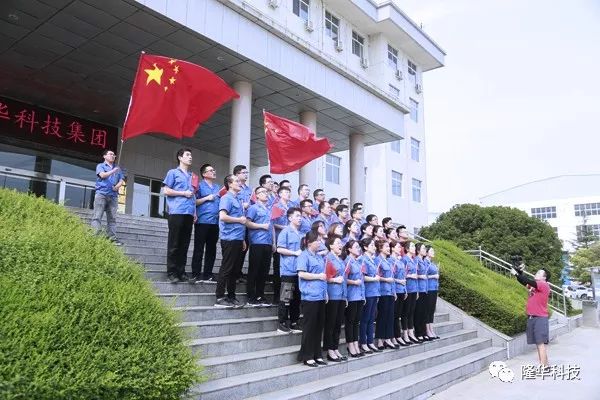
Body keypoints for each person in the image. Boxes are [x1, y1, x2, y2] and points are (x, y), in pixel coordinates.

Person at [162, 148, 196, 283]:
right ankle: (172, 272)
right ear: (180, 158)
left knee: (184, 244)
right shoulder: (173, 173)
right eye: (187, 155)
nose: (190, 157)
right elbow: (166, 190)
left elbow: (194, 195)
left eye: (191, 155)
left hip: (189, 213)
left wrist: (194, 212)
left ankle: (181, 272)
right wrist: (183, 193)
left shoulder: (193, 176)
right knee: (174, 243)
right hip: (177, 211)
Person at [510, 262, 551, 367]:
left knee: (540, 343)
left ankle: (543, 366)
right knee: (538, 343)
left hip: (540, 318)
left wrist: (517, 273)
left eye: (539, 273)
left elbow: (527, 280)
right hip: (533, 317)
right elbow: (523, 281)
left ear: (544, 278)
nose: (536, 273)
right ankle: (545, 365)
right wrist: (519, 272)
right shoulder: (535, 286)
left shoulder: (543, 284)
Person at [214, 174, 246, 308]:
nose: (240, 183)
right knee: (227, 268)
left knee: (234, 270)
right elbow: (222, 216)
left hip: (238, 238)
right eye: (236, 181)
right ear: (230, 184)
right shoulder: (226, 198)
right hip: (229, 238)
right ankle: (220, 297)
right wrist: (239, 220)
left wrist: (242, 239)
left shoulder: (238, 199)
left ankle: (231, 296)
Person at [296, 231, 328, 367]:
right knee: (309, 327)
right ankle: (307, 355)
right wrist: (318, 276)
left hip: (320, 295)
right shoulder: (304, 256)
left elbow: (324, 275)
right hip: (310, 296)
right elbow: (301, 274)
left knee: (319, 326)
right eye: (317, 241)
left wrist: (325, 292)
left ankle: (317, 354)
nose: (320, 243)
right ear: (309, 243)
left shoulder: (319, 257)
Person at [245, 187, 275, 307]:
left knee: (264, 271)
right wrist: (261, 226)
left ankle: (260, 295)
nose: (266, 194)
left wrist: (274, 243)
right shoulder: (253, 208)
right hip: (257, 242)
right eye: (263, 192)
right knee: (254, 269)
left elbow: (272, 226)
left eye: (266, 192)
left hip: (268, 243)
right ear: (256, 195)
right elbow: (247, 222)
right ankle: (251, 296)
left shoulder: (270, 209)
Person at [191, 163, 220, 284]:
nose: (214, 172)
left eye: (214, 170)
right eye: (211, 170)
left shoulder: (218, 187)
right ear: (204, 174)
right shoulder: (199, 186)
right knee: (199, 248)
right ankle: (196, 274)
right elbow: (193, 201)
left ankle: (208, 274)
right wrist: (206, 198)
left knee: (211, 249)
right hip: (202, 221)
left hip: (215, 222)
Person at [276, 208, 303, 333]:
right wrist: (294, 253)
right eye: (297, 216)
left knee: (296, 299)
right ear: (290, 218)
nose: (300, 218)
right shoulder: (285, 232)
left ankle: (294, 322)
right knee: (285, 298)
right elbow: (279, 249)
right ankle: (281, 323)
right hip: (288, 270)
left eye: (300, 216)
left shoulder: (301, 234)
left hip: (299, 270)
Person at [91, 149, 125, 245]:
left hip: (113, 196)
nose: (113, 156)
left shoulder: (118, 168)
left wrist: (117, 187)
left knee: (112, 218)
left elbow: (121, 180)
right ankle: (95, 237)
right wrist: (113, 171)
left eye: (114, 155)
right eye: (110, 154)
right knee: (97, 216)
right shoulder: (100, 166)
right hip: (101, 194)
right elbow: (102, 175)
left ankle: (112, 238)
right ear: (104, 156)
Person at [323, 236, 348, 362]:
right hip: (332, 294)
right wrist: (334, 280)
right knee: (331, 323)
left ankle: (335, 347)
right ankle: (329, 350)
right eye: (337, 243)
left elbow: (344, 279)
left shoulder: (341, 260)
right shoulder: (328, 259)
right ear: (331, 246)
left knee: (338, 323)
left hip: (341, 295)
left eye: (341, 243)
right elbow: (325, 277)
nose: (340, 245)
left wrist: (345, 296)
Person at [343, 240, 365, 357]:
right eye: (356, 247)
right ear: (349, 249)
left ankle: (356, 344)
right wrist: (354, 282)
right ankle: (350, 344)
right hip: (351, 295)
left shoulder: (358, 262)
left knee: (356, 321)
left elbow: (362, 279)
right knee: (350, 321)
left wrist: (363, 295)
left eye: (359, 247)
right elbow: (344, 279)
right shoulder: (347, 261)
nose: (358, 249)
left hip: (359, 295)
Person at [359, 237, 381, 354]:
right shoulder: (363, 259)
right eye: (371, 245)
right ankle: (363, 342)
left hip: (374, 292)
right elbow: (363, 277)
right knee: (365, 318)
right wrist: (374, 279)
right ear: (365, 247)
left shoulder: (372, 260)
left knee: (371, 318)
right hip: (367, 292)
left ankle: (370, 341)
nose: (374, 247)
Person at [271, 186, 292, 304]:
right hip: (280, 241)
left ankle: (286, 298)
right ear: (279, 194)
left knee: (288, 272)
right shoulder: (276, 206)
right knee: (278, 270)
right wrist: (285, 228)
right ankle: (277, 297)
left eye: (289, 192)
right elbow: (272, 224)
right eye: (285, 192)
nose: (288, 194)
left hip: (291, 243)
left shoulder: (291, 208)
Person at [374, 240, 397, 350]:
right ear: (380, 248)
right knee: (382, 316)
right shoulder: (377, 260)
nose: (389, 248)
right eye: (386, 246)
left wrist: (394, 291)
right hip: (382, 291)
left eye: (389, 246)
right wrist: (385, 279)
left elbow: (392, 277)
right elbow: (376, 276)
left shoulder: (389, 261)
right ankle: (380, 340)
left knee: (390, 316)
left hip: (390, 291)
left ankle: (388, 339)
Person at [390, 240, 409, 346]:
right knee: (394, 315)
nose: (400, 249)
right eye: (397, 247)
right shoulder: (391, 260)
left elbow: (403, 277)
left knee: (398, 315)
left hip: (402, 290)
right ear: (392, 248)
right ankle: (394, 337)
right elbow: (392, 277)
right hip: (395, 290)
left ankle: (398, 336)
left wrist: (405, 289)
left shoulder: (400, 261)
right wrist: (398, 283)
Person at [402, 241, 421, 344]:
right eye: (412, 246)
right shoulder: (404, 259)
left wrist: (417, 290)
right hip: (408, 289)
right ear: (407, 248)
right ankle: (405, 334)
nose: (414, 248)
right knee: (406, 312)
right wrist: (410, 276)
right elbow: (402, 275)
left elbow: (416, 276)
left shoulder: (413, 260)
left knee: (411, 312)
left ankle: (411, 332)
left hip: (414, 289)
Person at [414, 243, 430, 341]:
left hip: (424, 289)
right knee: (418, 312)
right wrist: (421, 276)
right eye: (423, 248)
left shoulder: (423, 261)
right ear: (418, 250)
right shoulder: (416, 260)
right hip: (419, 288)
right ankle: (418, 332)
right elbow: (414, 274)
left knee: (424, 312)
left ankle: (424, 332)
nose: (425, 250)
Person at [425, 245, 440, 339]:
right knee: (428, 310)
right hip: (429, 288)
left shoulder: (432, 263)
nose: (433, 252)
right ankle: (427, 330)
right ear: (427, 253)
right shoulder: (425, 262)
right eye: (431, 251)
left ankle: (431, 329)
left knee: (432, 310)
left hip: (434, 288)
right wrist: (433, 276)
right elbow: (424, 275)